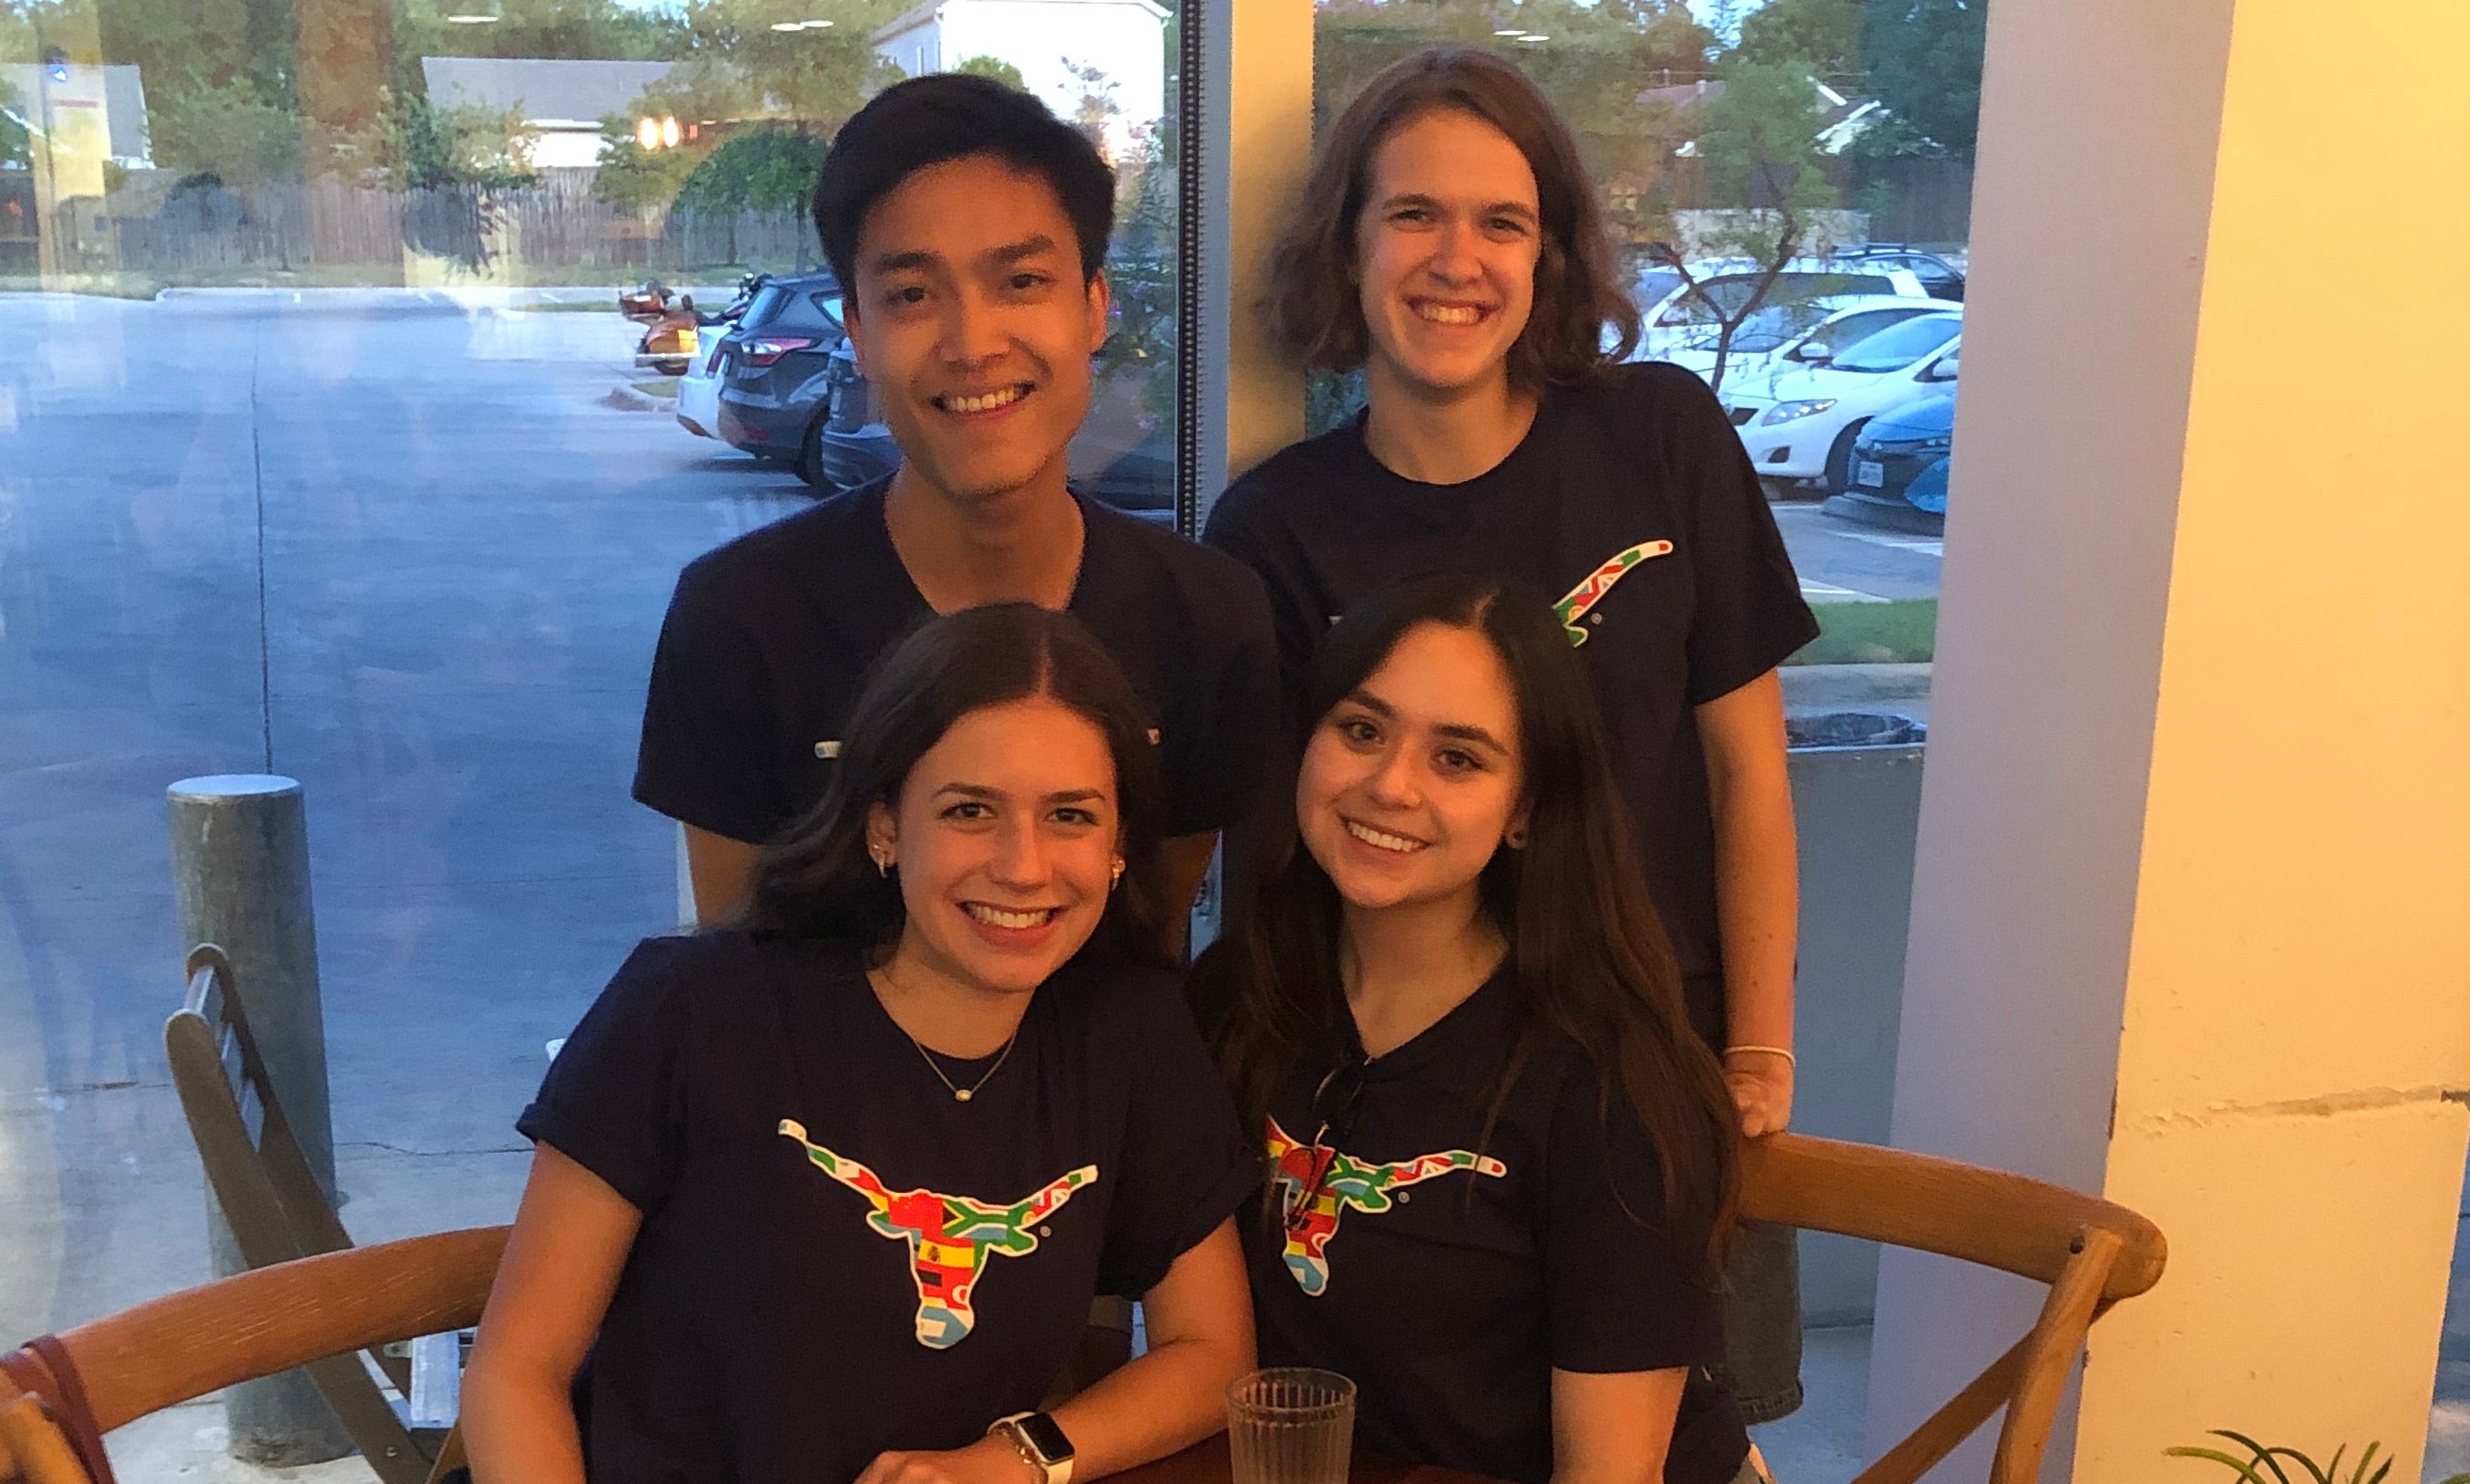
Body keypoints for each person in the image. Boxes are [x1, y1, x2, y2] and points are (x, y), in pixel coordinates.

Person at [1201, 47, 1818, 1422]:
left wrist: (1755, 1056)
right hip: (1420, 1128)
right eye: (1412, 214)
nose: (1454, 260)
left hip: (1662, 1083)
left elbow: (1746, 773)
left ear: (1549, 255)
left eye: (1501, 222)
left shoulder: (1658, 437)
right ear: (1346, 247)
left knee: (1699, 1434)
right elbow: (1290, 856)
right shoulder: (1278, 528)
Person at [465, 605, 1259, 1484]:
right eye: (969, 810)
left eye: (1070, 816)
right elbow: (516, 1370)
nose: (1023, 866)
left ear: (1117, 847)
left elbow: (1211, 1353)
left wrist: (1011, 1463)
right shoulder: (694, 1007)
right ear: (885, 826)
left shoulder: (1129, 1033)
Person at [635, 72, 1278, 926]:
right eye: (911, 295)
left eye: (1020, 282)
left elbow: (1147, 960)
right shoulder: (744, 620)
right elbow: (736, 979)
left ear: (1094, 309)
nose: (973, 344)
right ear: (858, 333)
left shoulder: (1204, 618)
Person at [1189, 574, 1762, 1484]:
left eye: (1458, 758)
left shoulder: (1611, 1083)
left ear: (1529, 810)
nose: (1390, 786)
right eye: (1362, 730)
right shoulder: (1235, 997)